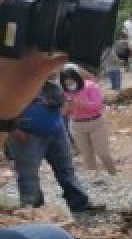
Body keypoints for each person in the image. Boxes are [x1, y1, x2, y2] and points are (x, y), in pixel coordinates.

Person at [0, 0, 84, 239]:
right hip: (27, 136)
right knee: (29, 180)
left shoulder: (52, 89)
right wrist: (6, 113)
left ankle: (67, 200)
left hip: (49, 134)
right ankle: (31, 203)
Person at [6, 76, 106, 215]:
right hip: (27, 136)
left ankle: (80, 204)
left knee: (66, 170)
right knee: (28, 176)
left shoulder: (47, 83)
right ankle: (33, 212)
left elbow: (62, 102)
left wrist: (60, 115)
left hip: (56, 132)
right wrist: (14, 130)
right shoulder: (9, 83)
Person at [61, 64, 117, 176]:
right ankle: (94, 178)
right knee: (87, 155)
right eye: (67, 84)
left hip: (95, 123)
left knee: (103, 153)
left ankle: (113, 174)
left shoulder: (90, 86)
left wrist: (81, 104)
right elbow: (63, 113)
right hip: (77, 125)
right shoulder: (64, 92)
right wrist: (67, 107)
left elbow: (97, 105)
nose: (70, 85)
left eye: (71, 82)